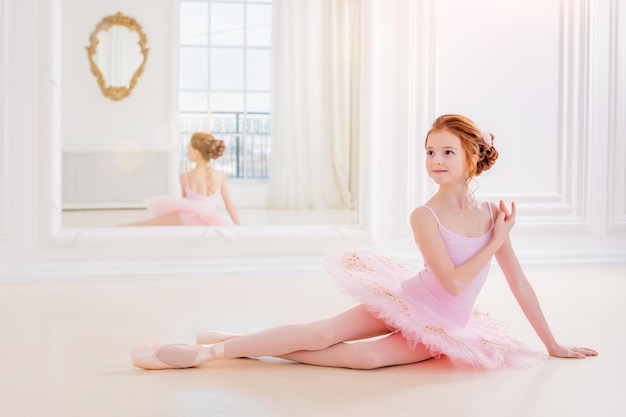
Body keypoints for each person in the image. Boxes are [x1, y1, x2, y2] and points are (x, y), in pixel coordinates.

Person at [130, 114, 597, 370]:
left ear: (473, 157)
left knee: (367, 358)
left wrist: (552, 343)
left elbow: (520, 284)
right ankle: (210, 352)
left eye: (447, 152)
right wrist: (497, 242)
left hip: (440, 326)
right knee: (319, 333)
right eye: (430, 151)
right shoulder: (425, 216)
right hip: (407, 299)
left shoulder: (494, 216)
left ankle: (241, 341)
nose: (435, 159)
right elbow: (453, 281)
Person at [122, 132, 240, 226]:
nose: (187, 152)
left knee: (146, 224)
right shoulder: (220, 176)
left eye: (189, 148)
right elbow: (230, 206)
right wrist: (239, 227)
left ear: (197, 152)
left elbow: (184, 207)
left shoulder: (185, 177)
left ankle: (124, 228)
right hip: (211, 222)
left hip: (190, 221)